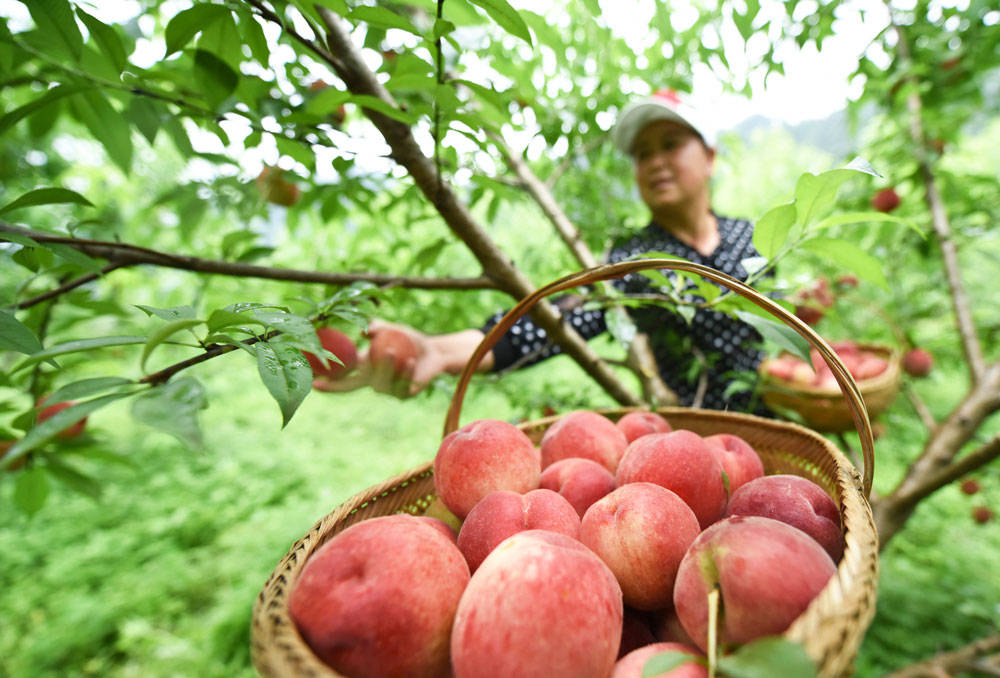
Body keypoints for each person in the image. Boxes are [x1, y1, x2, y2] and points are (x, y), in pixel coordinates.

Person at [319, 90, 770, 412]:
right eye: (642, 153)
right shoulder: (635, 259)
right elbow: (553, 320)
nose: (654, 161)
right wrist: (437, 351)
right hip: (696, 441)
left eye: (670, 144)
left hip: (783, 429)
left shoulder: (753, 239)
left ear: (709, 157)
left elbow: (787, 324)